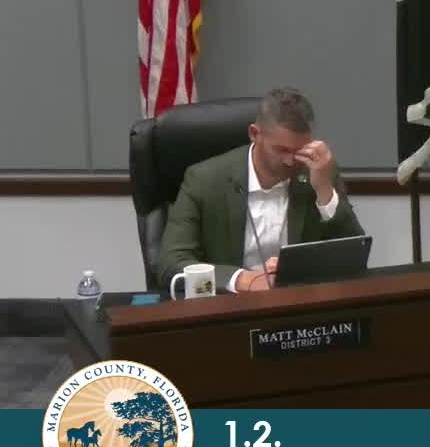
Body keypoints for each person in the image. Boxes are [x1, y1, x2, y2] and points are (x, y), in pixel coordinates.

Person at [156, 87, 364, 294]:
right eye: (282, 150)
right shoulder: (204, 180)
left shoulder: (318, 170)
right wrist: (240, 280)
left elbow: (355, 259)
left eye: (299, 151)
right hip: (230, 305)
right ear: (254, 134)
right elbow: (170, 266)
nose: (290, 161)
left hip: (299, 301)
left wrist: (325, 192)